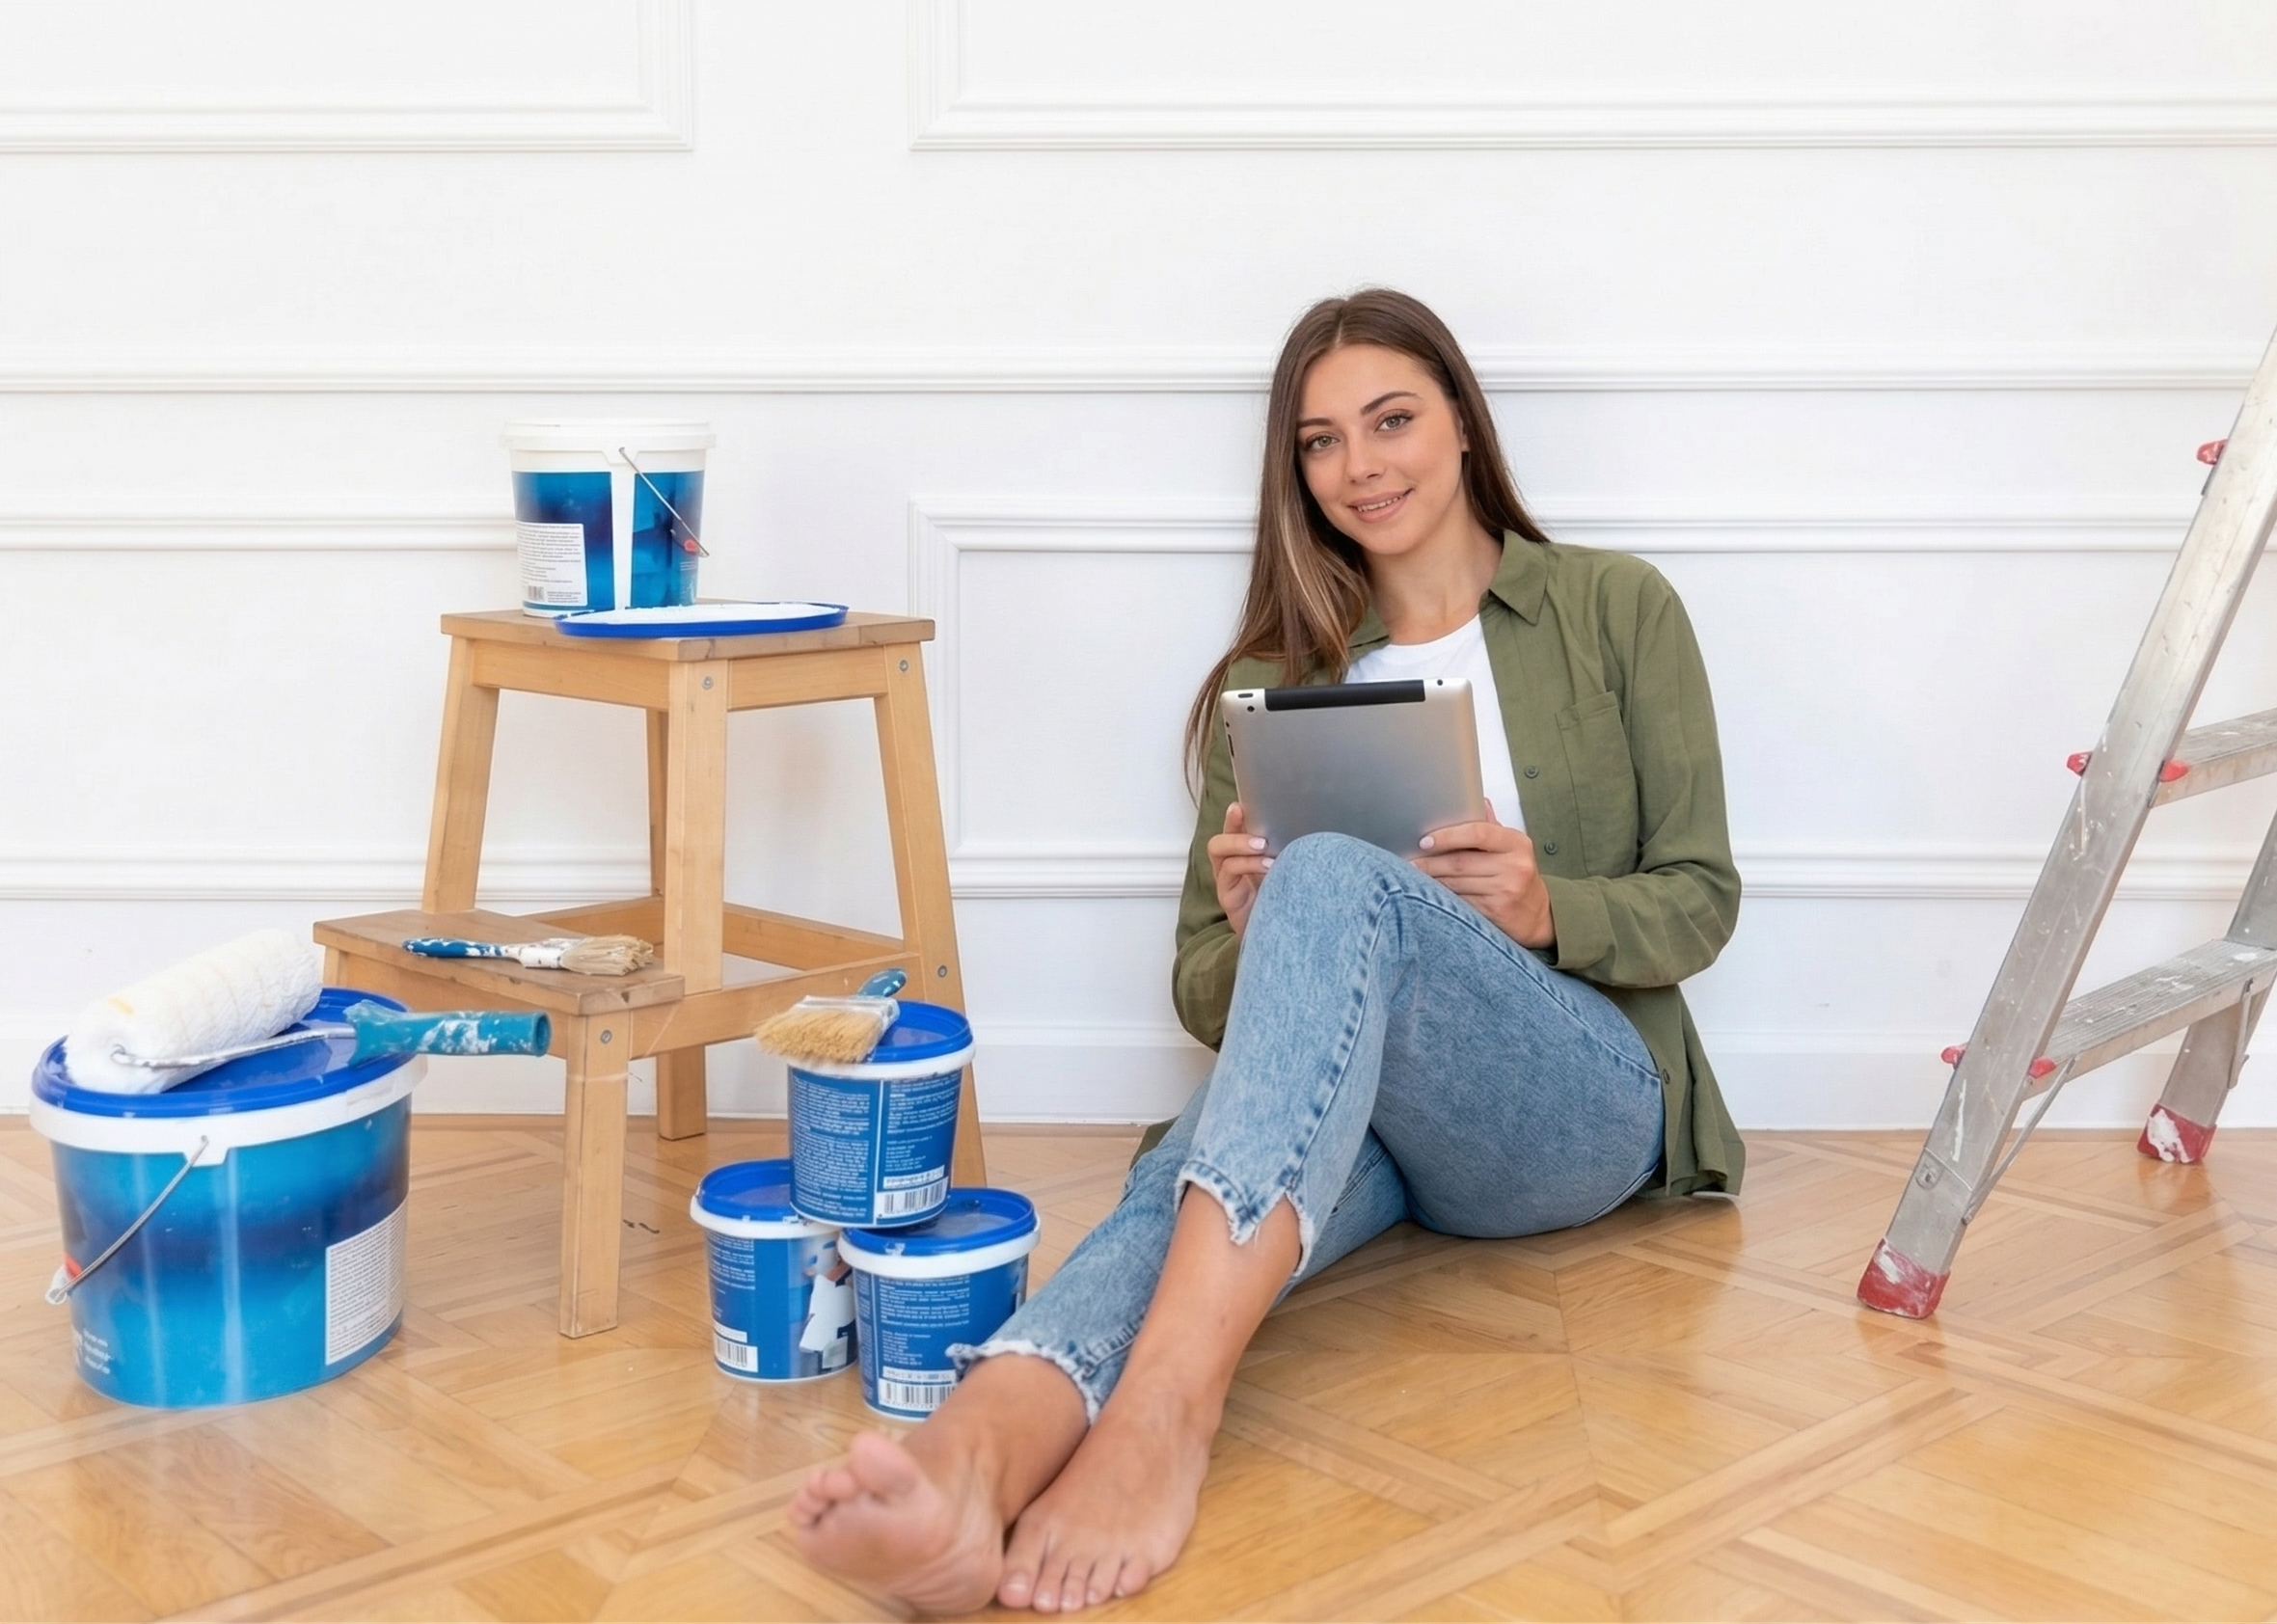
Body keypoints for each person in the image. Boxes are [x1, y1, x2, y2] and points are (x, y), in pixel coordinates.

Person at [790, 287, 1744, 1614]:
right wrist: (1258, 932)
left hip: (1577, 1108)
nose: (1360, 465)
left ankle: (1164, 1417)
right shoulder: (1279, 678)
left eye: (1392, 420)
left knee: (1337, 878)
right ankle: (971, 1455)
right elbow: (1203, 993)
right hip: (1384, 1141)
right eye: (1320, 441)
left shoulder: (1617, 608)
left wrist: (1542, 907)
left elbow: (1701, 897)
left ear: (1462, 423)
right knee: (1193, 1170)